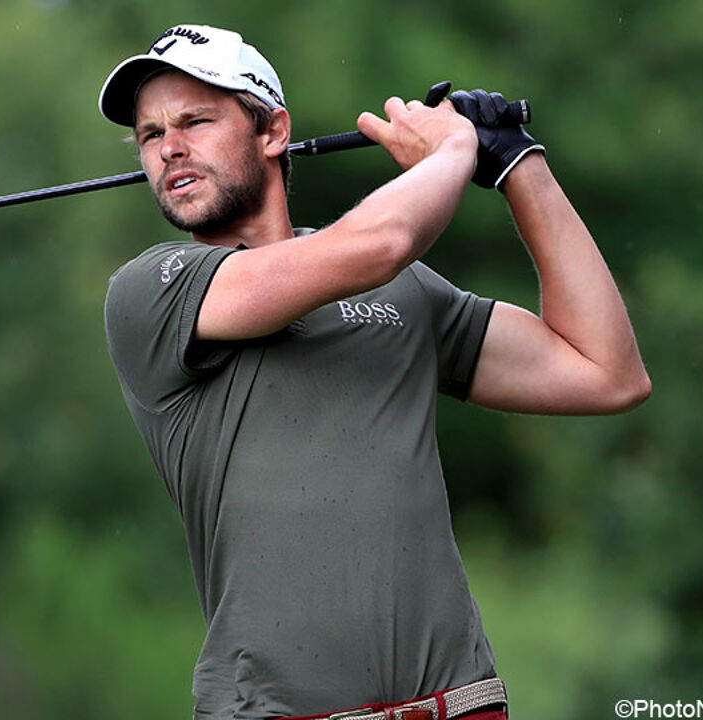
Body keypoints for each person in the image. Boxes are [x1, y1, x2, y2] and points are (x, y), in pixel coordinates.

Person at [98, 23, 651, 720]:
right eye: (151, 135)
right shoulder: (153, 290)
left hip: (462, 703)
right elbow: (381, 241)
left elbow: (608, 372)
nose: (169, 147)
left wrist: (516, 164)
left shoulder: (404, 292)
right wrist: (452, 151)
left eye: (196, 121)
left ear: (272, 132)